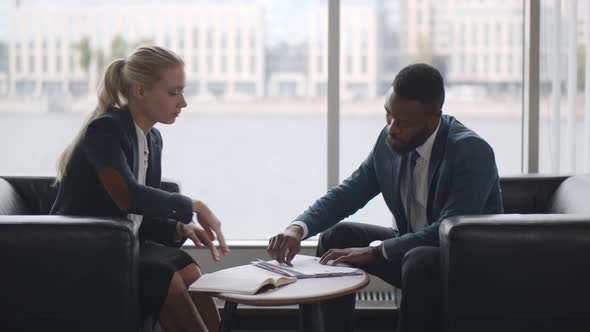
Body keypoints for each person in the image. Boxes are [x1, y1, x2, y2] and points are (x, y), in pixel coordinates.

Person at [267, 63, 503, 332]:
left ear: (433, 118)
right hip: (413, 251)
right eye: (388, 115)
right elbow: (348, 194)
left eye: (403, 122)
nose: (392, 128)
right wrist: (297, 228)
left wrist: (375, 251)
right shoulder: (390, 141)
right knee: (337, 237)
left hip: (464, 263)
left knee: (418, 259)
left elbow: (448, 231)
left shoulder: (471, 152)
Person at [50, 46, 229, 332]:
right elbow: (127, 196)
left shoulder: (152, 138)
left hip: (121, 245)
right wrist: (192, 206)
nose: (183, 102)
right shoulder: (106, 130)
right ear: (140, 91)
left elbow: (142, 214)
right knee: (165, 278)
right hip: (84, 250)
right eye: (174, 92)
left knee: (190, 272)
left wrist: (179, 228)